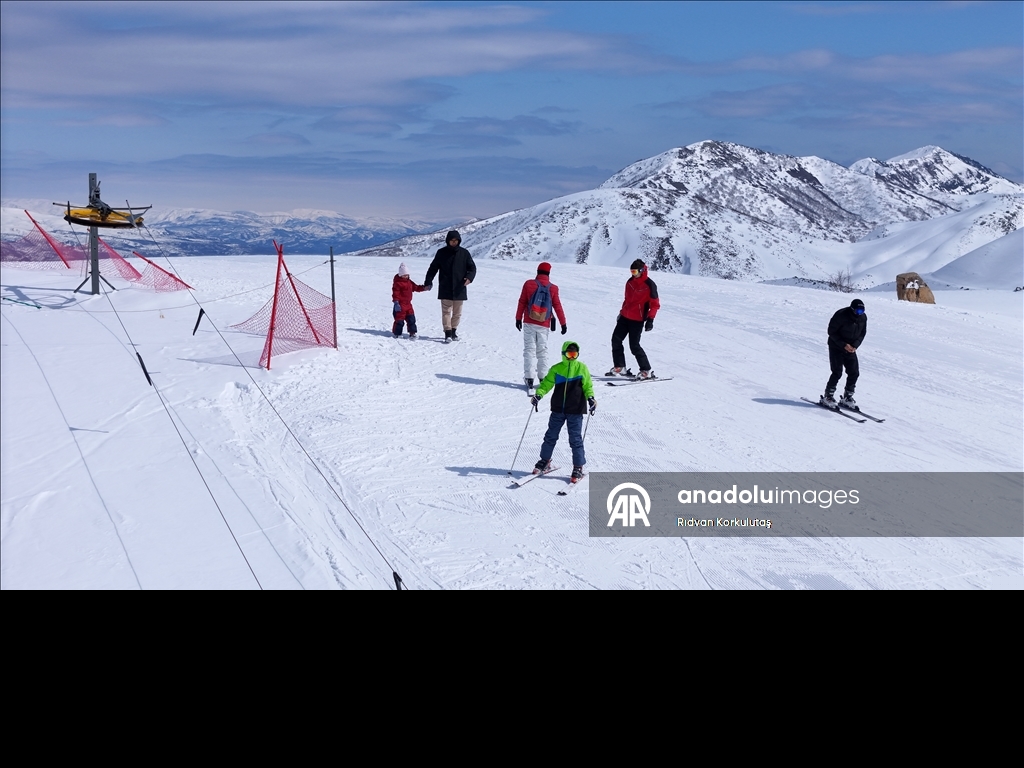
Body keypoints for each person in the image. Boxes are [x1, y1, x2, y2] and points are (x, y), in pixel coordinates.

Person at [530, 340, 597, 483]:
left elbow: (588, 386)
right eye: (569, 354)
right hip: (558, 409)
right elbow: (546, 384)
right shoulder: (556, 369)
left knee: (575, 439)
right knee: (550, 436)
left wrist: (591, 398)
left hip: (575, 410)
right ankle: (545, 460)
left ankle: (578, 466)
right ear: (563, 354)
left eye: (574, 354)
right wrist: (538, 394)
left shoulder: (582, 368)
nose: (572, 357)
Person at [515, 261, 567, 389]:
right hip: (544, 324)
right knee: (542, 351)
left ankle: (529, 378)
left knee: (529, 350)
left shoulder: (529, 284)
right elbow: (557, 306)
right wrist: (563, 323)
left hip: (529, 321)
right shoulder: (553, 288)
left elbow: (522, 302)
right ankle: (543, 377)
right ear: (548, 273)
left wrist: (518, 318)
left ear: (537, 271)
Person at [607, 259, 660, 379]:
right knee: (616, 340)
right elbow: (627, 299)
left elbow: (655, 304)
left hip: (637, 319)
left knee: (634, 345)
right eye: (631, 271)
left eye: (635, 271)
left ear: (642, 271)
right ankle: (620, 367)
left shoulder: (650, 285)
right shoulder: (630, 282)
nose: (633, 274)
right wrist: (621, 312)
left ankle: (646, 370)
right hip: (625, 317)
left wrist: (650, 319)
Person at [423, 230, 477, 343]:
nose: (454, 242)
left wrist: (469, 278)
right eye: (452, 240)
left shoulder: (464, 253)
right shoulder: (441, 253)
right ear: (448, 241)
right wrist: (428, 281)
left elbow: (472, 268)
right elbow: (433, 268)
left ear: (459, 241)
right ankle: (447, 333)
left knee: (457, 313)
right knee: (446, 312)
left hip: (460, 287)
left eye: (456, 240)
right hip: (445, 286)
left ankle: (453, 331)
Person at [821, 298, 867, 408]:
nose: (859, 313)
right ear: (852, 309)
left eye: (862, 311)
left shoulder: (863, 318)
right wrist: (844, 345)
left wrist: (855, 345)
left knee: (854, 372)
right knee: (837, 372)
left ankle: (848, 397)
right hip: (836, 346)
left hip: (851, 348)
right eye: (858, 311)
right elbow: (831, 332)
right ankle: (828, 396)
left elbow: (862, 333)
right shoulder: (841, 315)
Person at [391, 263, 428, 339]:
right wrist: (396, 303)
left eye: (407, 275)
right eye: (404, 275)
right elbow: (395, 293)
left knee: (411, 319)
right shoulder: (397, 283)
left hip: (408, 305)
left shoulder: (409, 282)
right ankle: (397, 333)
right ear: (400, 275)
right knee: (399, 320)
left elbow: (416, 287)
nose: (406, 276)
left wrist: (424, 288)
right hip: (400, 305)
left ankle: (412, 333)